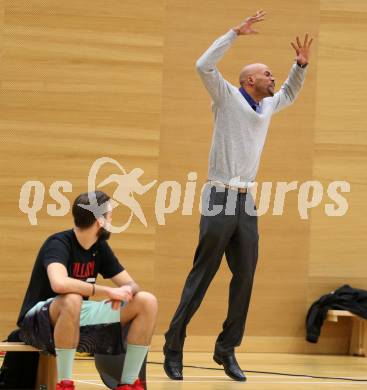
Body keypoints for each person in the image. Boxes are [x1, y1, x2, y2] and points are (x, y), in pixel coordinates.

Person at [163, 10, 313, 381]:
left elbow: (291, 92)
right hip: (219, 195)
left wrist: (300, 66)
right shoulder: (227, 96)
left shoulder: (267, 105)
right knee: (203, 275)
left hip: (246, 201)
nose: (271, 77)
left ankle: (226, 348)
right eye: (266, 74)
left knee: (245, 275)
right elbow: (203, 65)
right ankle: (173, 344)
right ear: (248, 80)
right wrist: (233, 33)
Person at [17, 191, 158, 390]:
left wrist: (126, 292)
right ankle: (64, 384)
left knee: (146, 301)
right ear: (99, 221)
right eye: (109, 215)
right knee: (72, 298)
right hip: (39, 320)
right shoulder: (58, 243)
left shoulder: (99, 247)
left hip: (77, 314)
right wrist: (108, 292)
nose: (111, 219)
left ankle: (128, 383)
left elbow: (132, 285)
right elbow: (59, 284)